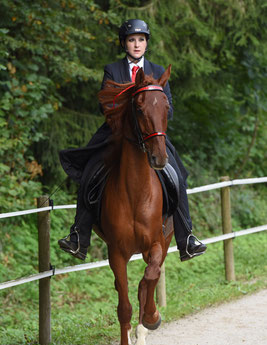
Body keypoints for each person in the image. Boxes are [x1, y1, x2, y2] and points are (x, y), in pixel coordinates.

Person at [58, 19, 207, 262]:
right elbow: (104, 104)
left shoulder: (158, 71)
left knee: (178, 177)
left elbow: (167, 110)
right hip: (117, 133)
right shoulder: (112, 70)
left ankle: (186, 239)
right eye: (131, 40)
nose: (136, 44)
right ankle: (78, 237)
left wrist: (151, 111)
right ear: (124, 44)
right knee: (89, 173)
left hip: (151, 134)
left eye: (141, 39)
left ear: (147, 43)